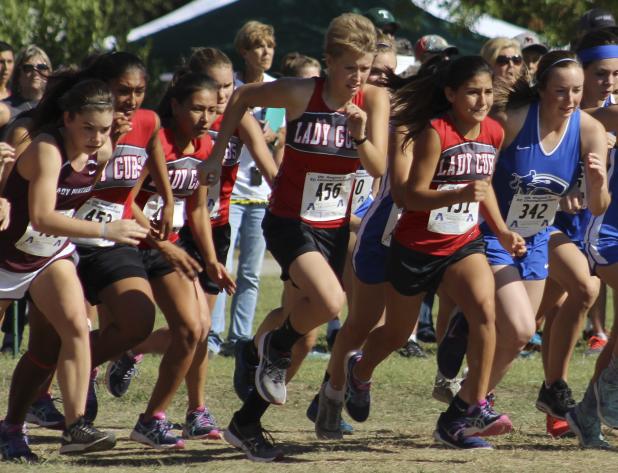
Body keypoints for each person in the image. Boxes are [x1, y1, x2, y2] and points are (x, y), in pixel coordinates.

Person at [202, 12, 389, 461]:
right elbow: (244, 95)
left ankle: (247, 417)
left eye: (364, 68)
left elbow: (379, 169)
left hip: (333, 228)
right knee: (328, 304)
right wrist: (215, 156)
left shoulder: (375, 100)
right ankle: (274, 347)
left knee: (305, 336)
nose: (357, 78)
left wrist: (361, 136)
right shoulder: (302, 92)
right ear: (329, 62)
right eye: (349, 68)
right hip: (288, 220)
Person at [0, 77, 148, 461]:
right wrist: (105, 229)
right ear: (67, 118)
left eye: (103, 128)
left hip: (47, 256)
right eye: (88, 128)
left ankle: (76, 426)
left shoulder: (102, 151)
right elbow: (43, 215)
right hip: (4, 256)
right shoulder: (47, 148)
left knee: (77, 327)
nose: (98, 138)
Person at [482, 50, 609, 428]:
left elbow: (599, 205)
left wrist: (598, 184)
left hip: (538, 235)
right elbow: (480, 177)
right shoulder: (513, 121)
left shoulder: (589, 130)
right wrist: (500, 229)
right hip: (495, 232)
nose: (569, 100)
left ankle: (474, 400)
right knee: (523, 324)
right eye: (560, 91)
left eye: (575, 91)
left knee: (524, 328)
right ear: (541, 90)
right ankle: (473, 399)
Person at [127, 71, 235, 449]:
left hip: (168, 247)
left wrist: (210, 260)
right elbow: (126, 200)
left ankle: (152, 418)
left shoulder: (205, 147)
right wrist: (160, 242)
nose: (205, 118)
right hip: (128, 245)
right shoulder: (158, 142)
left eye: (210, 110)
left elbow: (199, 209)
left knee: (194, 329)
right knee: (117, 331)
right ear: (174, 105)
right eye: (196, 109)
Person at [535, 28, 618, 438]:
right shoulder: (557, 114)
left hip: (590, 222)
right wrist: (560, 192)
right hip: (545, 223)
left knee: (550, 307)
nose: (609, 84)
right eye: (601, 74)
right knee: (579, 293)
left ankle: (569, 400)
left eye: (616, 75)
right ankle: (555, 392)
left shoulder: (606, 116)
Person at [209, 21, 282, 356]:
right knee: (222, 267)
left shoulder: (279, 88)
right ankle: (212, 333)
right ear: (244, 51)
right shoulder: (230, 88)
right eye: (258, 46)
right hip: (230, 191)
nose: (265, 52)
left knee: (251, 272)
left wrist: (271, 135)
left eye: (269, 45)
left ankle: (239, 336)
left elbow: (281, 135)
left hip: (260, 193)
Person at [2, 46, 51, 126]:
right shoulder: (5, 107)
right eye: (28, 68)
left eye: (42, 67)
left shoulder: (54, 107)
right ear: (18, 75)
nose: (35, 73)